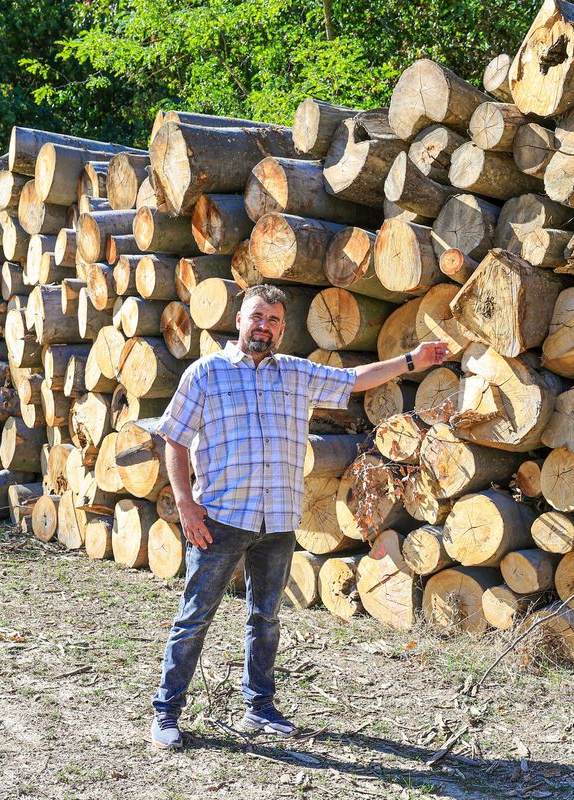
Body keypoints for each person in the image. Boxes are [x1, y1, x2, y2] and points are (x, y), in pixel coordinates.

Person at [150, 284, 450, 749]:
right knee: (195, 617)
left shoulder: (294, 373)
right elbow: (175, 439)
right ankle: (167, 712)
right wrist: (186, 504)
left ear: (282, 328)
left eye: (272, 320)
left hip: (278, 520)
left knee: (265, 617)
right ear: (239, 319)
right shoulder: (205, 373)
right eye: (256, 317)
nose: (263, 327)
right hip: (221, 521)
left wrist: (412, 361)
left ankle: (260, 707)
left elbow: (355, 378)